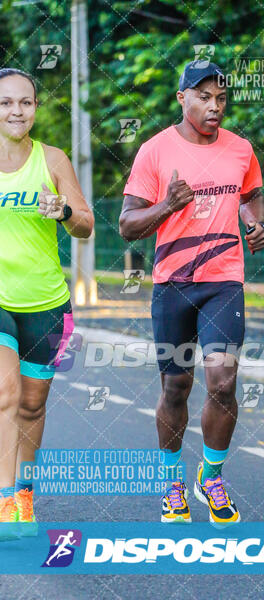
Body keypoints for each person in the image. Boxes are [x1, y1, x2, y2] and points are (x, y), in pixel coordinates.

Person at [120, 61, 264, 526]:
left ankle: (212, 476)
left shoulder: (241, 149)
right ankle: (172, 482)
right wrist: (168, 204)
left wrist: (255, 222)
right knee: (176, 385)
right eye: (204, 97)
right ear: (182, 98)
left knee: (223, 381)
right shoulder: (154, 151)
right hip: (172, 284)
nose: (215, 106)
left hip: (224, 280)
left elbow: (251, 195)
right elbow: (127, 226)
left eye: (221, 98)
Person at [0, 68, 94, 538]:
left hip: (45, 302)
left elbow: (87, 226)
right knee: (6, 393)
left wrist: (65, 211)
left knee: (32, 408)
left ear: (36, 107)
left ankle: (23, 496)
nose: (16, 111)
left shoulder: (52, 159)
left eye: (25, 102)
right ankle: (1, 502)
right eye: (6, 102)